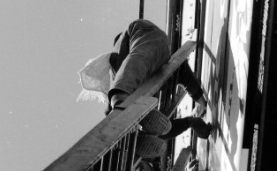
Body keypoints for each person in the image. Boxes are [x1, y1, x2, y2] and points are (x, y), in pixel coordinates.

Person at [78, 18, 211, 140]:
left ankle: (123, 110)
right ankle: (189, 122)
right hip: (151, 61)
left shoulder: (120, 60)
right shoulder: (134, 72)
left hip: (142, 40)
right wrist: (199, 101)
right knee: (154, 129)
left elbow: (134, 63)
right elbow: (180, 71)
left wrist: (119, 105)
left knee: (135, 67)